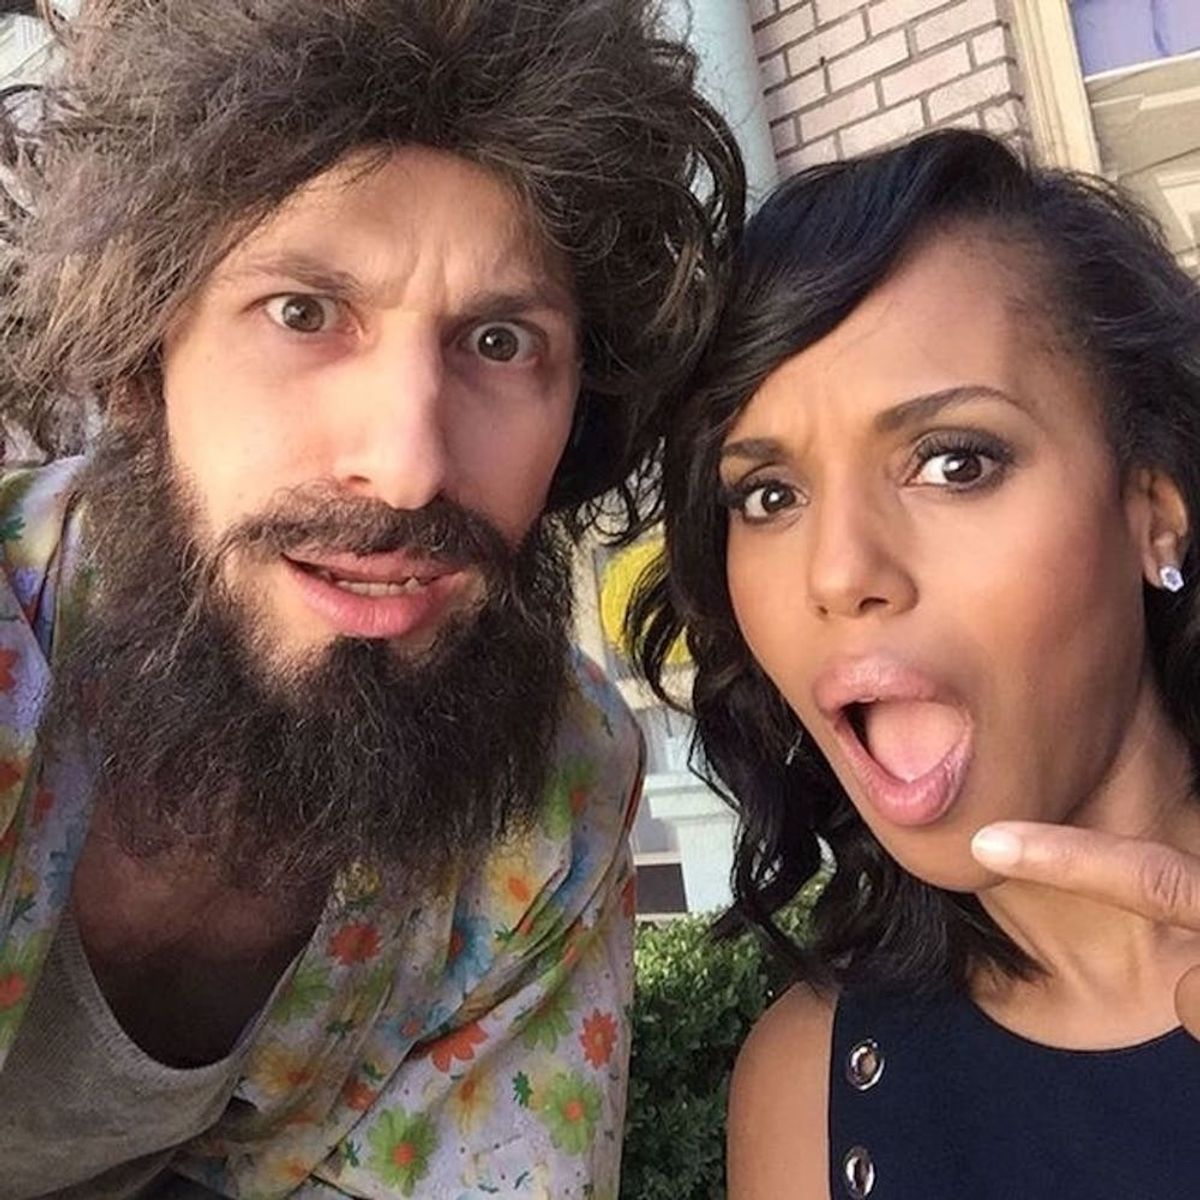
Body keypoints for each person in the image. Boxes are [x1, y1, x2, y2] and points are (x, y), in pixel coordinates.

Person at [0, 1, 744, 1196]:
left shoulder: (555, 792)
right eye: (302, 313)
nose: (410, 467)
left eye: (500, 342)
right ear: (142, 359)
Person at [630, 129, 1200, 1199]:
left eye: (955, 462)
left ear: (1152, 513)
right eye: (769, 495)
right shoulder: (809, 1086)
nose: (840, 570)